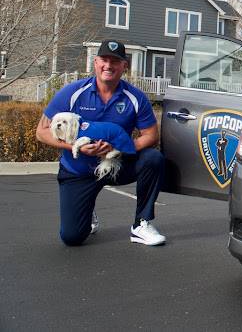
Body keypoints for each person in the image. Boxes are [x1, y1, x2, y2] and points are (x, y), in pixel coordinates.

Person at [36, 39, 167, 246]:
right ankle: (87, 209)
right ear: (95, 62)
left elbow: (151, 137)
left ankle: (141, 224)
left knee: (153, 159)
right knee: (72, 238)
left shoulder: (135, 97)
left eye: (115, 61)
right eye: (104, 60)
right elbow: (41, 132)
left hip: (116, 164)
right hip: (78, 171)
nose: (109, 66)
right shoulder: (71, 93)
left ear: (124, 66)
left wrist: (118, 149)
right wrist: (75, 147)